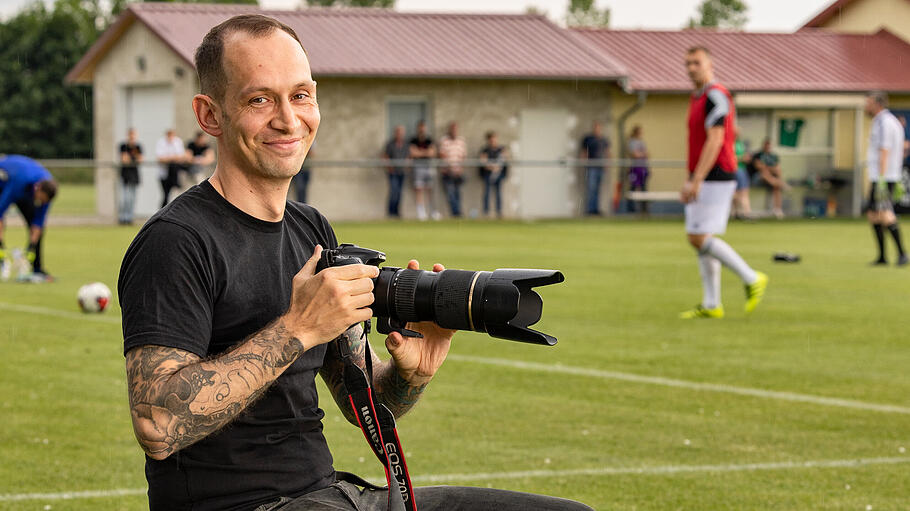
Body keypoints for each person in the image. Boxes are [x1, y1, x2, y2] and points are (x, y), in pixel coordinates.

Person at [118, 14, 592, 511]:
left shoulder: (311, 230)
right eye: (260, 99)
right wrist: (298, 327)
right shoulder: (176, 241)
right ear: (210, 115)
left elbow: (361, 401)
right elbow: (158, 425)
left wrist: (412, 373)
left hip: (328, 496)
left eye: (300, 95)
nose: (287, 118)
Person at [679, 46, 768, 319]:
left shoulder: (716, 95)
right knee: (702, 235)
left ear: (710, 64)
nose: (692, 68)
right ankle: (711, 303)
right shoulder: (698, 97)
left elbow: (716, 139)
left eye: (697, 62)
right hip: (704, 174)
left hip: (716, 175)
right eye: (688, 63)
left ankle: (751, 277)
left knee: (697, 237)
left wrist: (697, 179)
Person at [863, 91, 907, 266]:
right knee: (874, 215)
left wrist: (881, 178)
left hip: (883, 177)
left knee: (885, 214)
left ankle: (903, 254)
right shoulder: (884, 121)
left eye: (869, 102)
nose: (866, 106)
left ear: (877, 103)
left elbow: (885, 150)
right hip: (882, 176)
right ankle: (882, 256)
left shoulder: (884, 122)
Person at [0, 155, 58, 281]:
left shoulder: (48, 190)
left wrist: (31, 248)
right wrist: (1, 246)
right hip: (4, 180)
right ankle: (1, 262)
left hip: (25, 188)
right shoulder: (18, 183)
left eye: (44, 201)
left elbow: (38, 224)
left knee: (36, 226)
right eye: (41, 199)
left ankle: (37, 269)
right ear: (38, 189)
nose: (41, 202)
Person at [747, 138, 789, 219]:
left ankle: (778, 209)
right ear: (763, 146)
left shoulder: (774, 156)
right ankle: (780, 183)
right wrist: (770, 168)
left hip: (770, 179)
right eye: (766, 145)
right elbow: (759, 167)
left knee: (776, 187)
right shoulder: (758, 155)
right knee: (764, 173)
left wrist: (769, 169)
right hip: (757, 179)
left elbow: (777, 169)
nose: (768, 147)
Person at [579, 121, 610, 216]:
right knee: (591, 188)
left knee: (598, 189)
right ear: (593, 128)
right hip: (591, 167)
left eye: (599, 127)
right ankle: (590, 210)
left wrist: (607, 164)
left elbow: (607, 152)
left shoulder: (604, 139)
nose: (597, 129)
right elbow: (584, 152)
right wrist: (583, 162)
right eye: (595, 127)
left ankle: (596, 209)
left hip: (601, 167)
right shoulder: (588, 138)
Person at [409, 120, 437, 221]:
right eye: (420, 127)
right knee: (419, 189)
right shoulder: (413, 140)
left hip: (428, 166)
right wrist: (425, 152)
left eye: (423, 127)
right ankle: (421, 212)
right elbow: (413, 153)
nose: (422, 129)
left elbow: (432, 153)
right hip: (418, 167)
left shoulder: (429, 140)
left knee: (430, 188)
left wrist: (420, 152)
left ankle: (432, 211)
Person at [438, 121, 466, 217]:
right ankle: (455, 213)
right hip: (447, 172)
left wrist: (459, 168)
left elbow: (462, 156)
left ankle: (458, 212)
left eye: (455, 129)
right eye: (452, 129)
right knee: (450, 193)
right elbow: (442, 155)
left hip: (458, 172)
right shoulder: (444, 140)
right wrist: (450, 167)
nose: (454, 131)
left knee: (457, 193)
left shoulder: (461, 141)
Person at [478, 130, 509, 218]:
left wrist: (498, 167)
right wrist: (492, 167)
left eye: (494, 139)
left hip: (499, 174)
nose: (493, 141)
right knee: (486, 193)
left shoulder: (501, 149)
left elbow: (505, 158)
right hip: (488, 174)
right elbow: (483, 162)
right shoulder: (485, 150)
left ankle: (499, 212)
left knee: (498, 193)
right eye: (491, 139)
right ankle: (486, 212)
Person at [155, 128, 187, 207]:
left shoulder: (178, 142)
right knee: (166, 195)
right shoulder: (161, 142)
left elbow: (182, 157)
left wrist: (169, 158)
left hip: (175, 174)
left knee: (175, 194)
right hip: (164, 174)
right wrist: (173, 158)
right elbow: (160, 158)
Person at [382, 125, 409, 218]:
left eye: (401, 132)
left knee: (399, 193)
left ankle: (397, 212)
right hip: (393, 173)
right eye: (398, 132)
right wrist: (390, 167)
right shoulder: (390, 144)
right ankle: (391, 212)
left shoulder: (405, 144)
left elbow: (409, 156)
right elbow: (385, 156)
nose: (400, 134)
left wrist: (406, 165)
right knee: (393, 191)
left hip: (402, 172)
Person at [118, 128, 143, 225]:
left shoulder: (138, 147)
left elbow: (140, 160)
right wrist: (134, 158)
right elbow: (124, 159)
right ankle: (123, 217)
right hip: (125, 175)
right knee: (124, 198)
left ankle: (130, 217)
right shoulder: (123, 146)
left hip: (134, 175)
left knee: (132, 198)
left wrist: (132, 158)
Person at [626, 125, 649, 214]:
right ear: (636, 132)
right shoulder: (631, 142)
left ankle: (644, 210)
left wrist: (642, 154)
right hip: (634, 168)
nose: (641, 134)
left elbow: (647, 154)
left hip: (643, 168)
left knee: (644, 188)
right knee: (633, 188)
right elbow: (635, 154)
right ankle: (631, 210)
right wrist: (642, 154)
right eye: (640, 132)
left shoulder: (642, 142)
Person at [731, 128, 752, 219]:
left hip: (742, 169)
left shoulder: (740, 144)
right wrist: (741, 158)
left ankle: (744, 213)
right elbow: (729, 158)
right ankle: (741, 213)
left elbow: (745, 156)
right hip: (734, 170)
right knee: (738, 192)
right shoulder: (730, 144)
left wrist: (746, 158)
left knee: (742, 192)